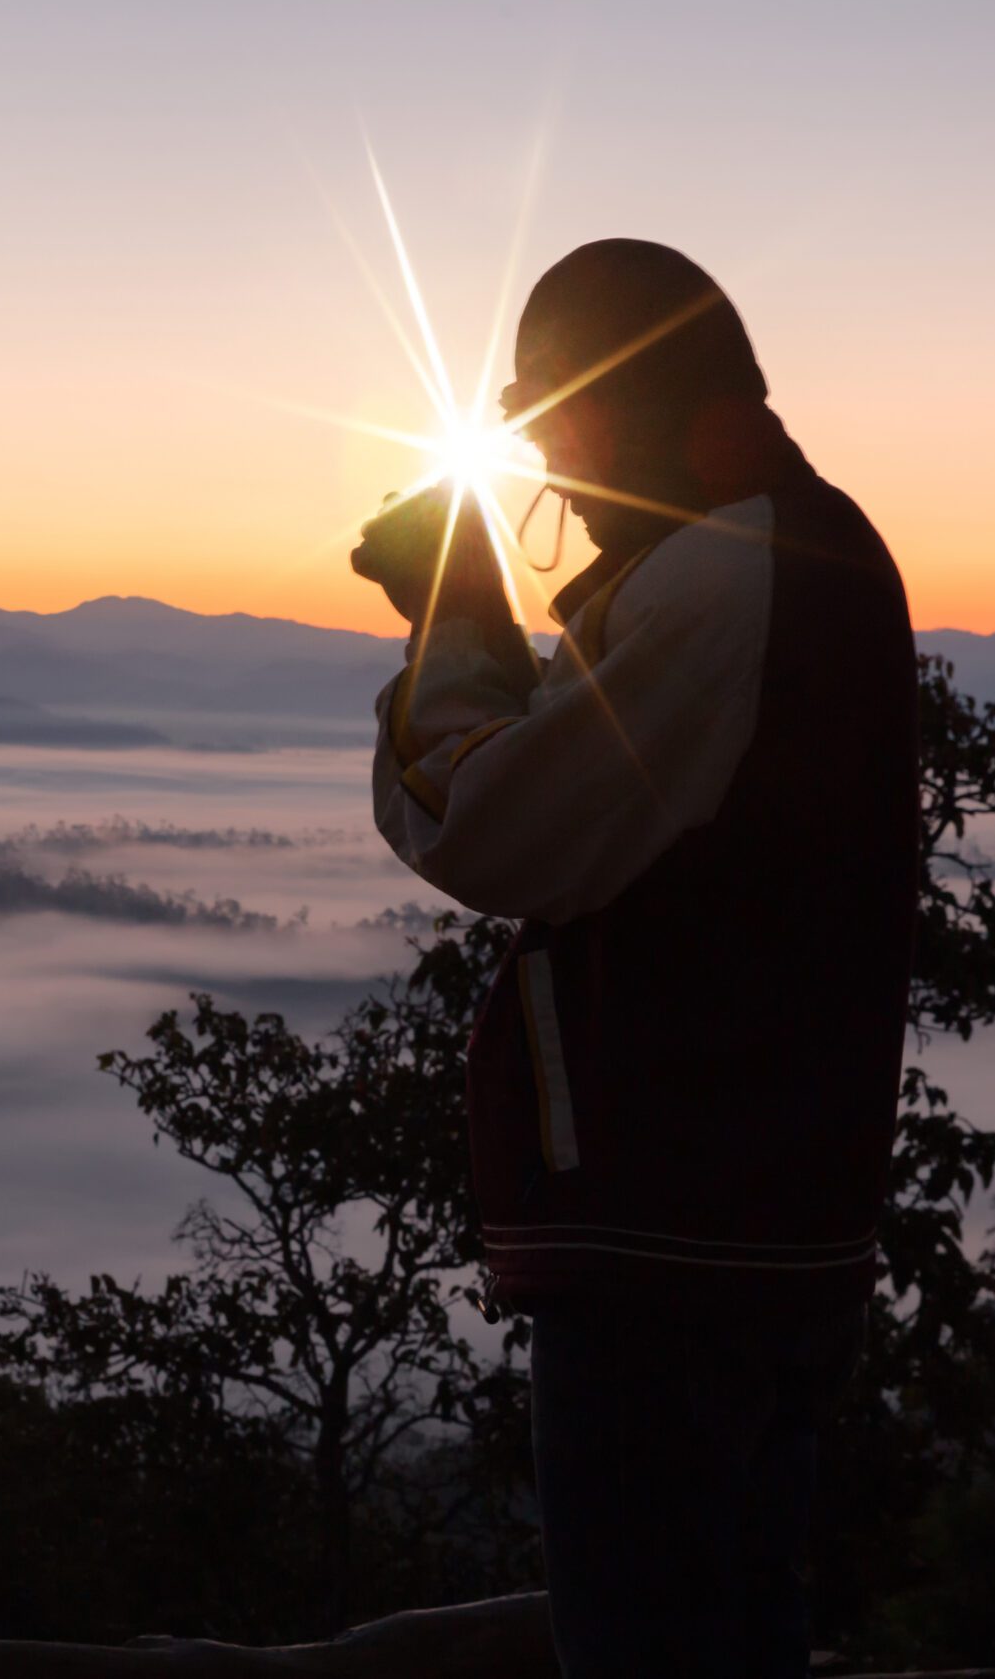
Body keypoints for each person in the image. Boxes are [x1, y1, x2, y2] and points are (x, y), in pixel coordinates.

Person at [352, 239, 919, 1678]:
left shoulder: (736, 576)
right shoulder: (774, 552)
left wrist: (452, 616)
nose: (544, 450)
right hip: (758, 1236)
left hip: (679, 1250)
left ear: (621, 404)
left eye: (553, 412)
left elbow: (495, 825)